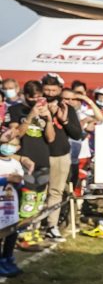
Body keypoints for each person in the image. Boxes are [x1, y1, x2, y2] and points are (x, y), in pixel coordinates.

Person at [6, 80, 55, 247]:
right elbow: (16, 134)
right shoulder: (15, 110)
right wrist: (30, 116)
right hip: (24, 159)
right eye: (33, 98)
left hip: (43, 159)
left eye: (40, 97)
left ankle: (32, 230)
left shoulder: (44, 110)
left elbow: (51, 138)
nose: (37, 101)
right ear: (26, 96)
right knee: (27, 199)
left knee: (39, 199)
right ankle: (20, 233)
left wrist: (48, 119)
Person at [37, 74, 83, 240]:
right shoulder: (35, 105)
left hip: (61, 154)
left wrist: (63, 121)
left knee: (56, 192)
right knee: (37, 191)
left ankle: (51, 225)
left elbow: (77, 134)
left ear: (60, 90)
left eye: (53, 90)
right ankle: (32, 225)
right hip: (38, 154)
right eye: (47, 89)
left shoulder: (66, 108)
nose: (49, 93)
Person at [0, 123, 27, 276]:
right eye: (5, 143)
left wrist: (16, 182)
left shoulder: (16, 164)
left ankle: (8, 258)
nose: (8, 146)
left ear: (17, 148)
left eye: (12, 144)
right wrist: (5, 180)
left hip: (10, 207)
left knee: (11, 233)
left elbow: (20, 184)